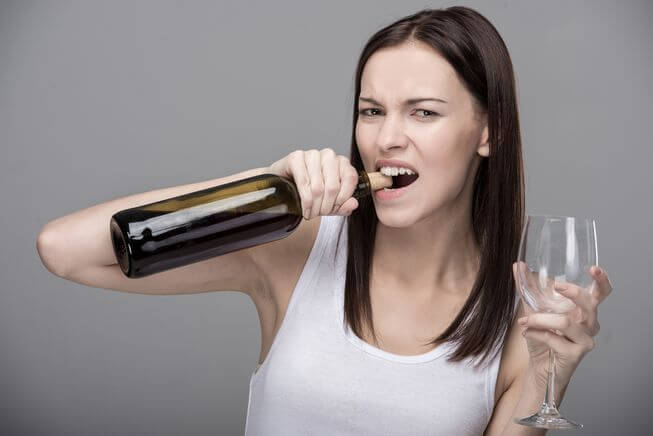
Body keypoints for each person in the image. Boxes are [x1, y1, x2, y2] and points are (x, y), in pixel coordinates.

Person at [36, 6, 613, 435]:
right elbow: (66, 249)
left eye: (424, 113)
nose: (387, 139)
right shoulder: (297, 244)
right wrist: (262, 191)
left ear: (488, 131)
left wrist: (550, 374)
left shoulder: (521, 319)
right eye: (371, 111)